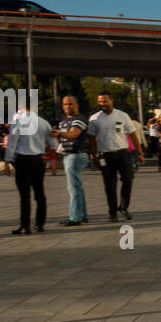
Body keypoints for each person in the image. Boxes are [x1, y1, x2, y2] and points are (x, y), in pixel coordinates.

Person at [87, 92, 144, 221]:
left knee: (128, 180)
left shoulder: (122, 116)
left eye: (105, 101)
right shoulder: (94, 119)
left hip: (123, 154)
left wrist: (139, 152)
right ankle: (112, 213)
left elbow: (133, 134)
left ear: (112, 100)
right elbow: (91, 139)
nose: (103, 104)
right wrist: (94, 157)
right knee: (109, 186)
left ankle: (123, 207)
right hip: (105, 156)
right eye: (100, 102)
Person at [5, 106, 51, 234]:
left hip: (23, 160)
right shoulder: (43, 122)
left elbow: (12, 143)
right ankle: (40, 224)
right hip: (38, 160)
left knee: (25, 196)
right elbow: (53, 143)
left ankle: (25, 225)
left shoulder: (18, 122)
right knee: (40, 193)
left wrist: (8, 161)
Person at [53, 95, 90, 226]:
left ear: (77, 105)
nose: (67, 107)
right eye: (65, 104)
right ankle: (82, 215)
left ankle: (75, 217)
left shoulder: (79, 119)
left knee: (73, 188)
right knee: (77, 187)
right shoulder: (63, 121)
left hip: (75, 155)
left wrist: (58, 133)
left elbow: (74, 133)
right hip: (67, 155)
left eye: (70, 104)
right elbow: (63, 138)